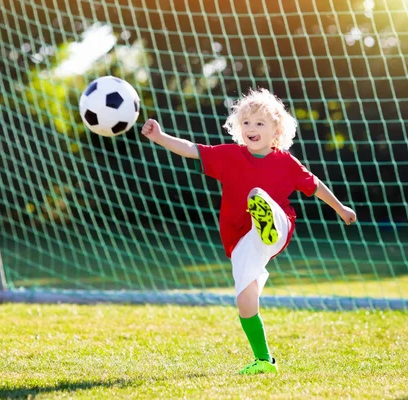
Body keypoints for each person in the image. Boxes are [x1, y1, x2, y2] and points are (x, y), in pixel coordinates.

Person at [141, 88, 357, 375]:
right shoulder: (229, 156)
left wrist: (341, 209)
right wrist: (159, 137)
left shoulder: (286, 162)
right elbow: (193, 150)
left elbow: (315, 185)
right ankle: (263, 360)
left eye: (259, 123)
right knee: (245, 298)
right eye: (246, 123)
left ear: (276, 130)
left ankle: (264, 212)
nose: (251, 128)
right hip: (240, 238)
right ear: (238, 127)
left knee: (262, 200)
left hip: (279, 227)